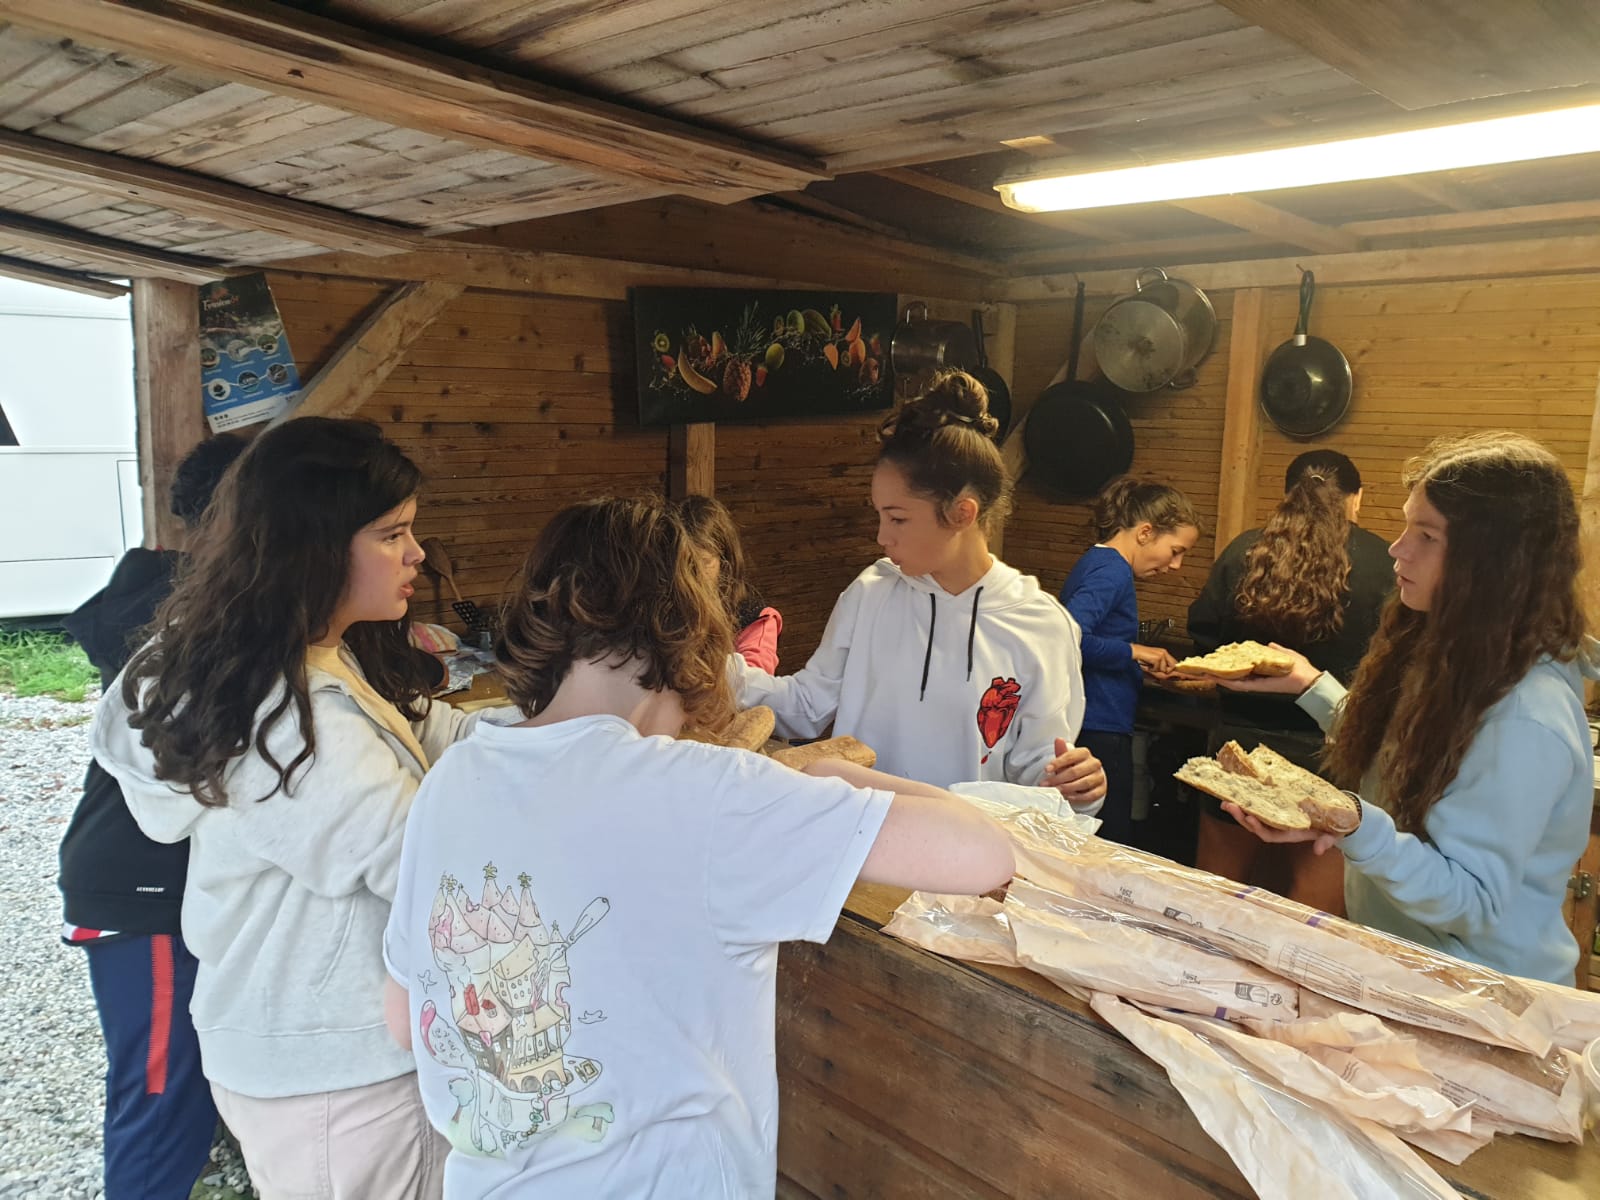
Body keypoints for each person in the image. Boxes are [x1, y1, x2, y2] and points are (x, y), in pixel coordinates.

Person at [381, 494, 1014, 1196]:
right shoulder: (709, 792)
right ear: (687, 632)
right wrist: (833, 776)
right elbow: (984, 851)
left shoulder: (454, 777)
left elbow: (406, 1021)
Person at [92, 417, 500, 1198]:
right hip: (338, 1069)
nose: (417, 554)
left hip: (303, 1052)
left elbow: (430, 731)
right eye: (392, 535)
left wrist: (562, 734)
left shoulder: (289, 660)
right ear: (314, 545)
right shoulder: (290, 721)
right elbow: (426, 870)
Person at [1220, 432, 1592, 986]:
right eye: (1406, 526)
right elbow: (1408, 749)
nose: (1397, 549)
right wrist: (1313, 686)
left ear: (1494, 561)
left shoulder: (1524, 714)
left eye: (1427, 535)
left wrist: (1354, 824)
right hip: (1411, 970)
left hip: (1481, 997)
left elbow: (1471, 899)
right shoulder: (1459, 654)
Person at [732, 370, 1105, 808]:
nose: (881, 537)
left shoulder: (1041, 625)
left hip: (965, 845)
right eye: (880, 516)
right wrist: (715, 671)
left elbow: (1040, 775)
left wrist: (1077, 786)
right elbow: (807, 705)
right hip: (863, 831)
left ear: (962, 513)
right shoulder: (871, 593)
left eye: (898, 518)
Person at [59, 433, 247, 1200]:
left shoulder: (169, 597)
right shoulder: (191, 618)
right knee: (162, 1096)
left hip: (151, 882)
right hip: (143, 890)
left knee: (178, 1091)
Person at [1187, 450, 1392, 909]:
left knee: (1214, 900)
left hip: (1238, 751)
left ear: (1287, 495)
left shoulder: (1244, 550)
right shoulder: (1384, 562)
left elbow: (1204, 636)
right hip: (1333, 756)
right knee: (1310, 918)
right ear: (1356, 499)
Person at [1058, 477, 1199, 843]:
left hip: (1094, 719)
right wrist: (1135, 651)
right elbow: (1069, 637)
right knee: (1107, 839)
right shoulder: (1113, 570)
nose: (1176, 565)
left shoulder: (1098, 561)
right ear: (1146, 532)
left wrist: (1134, 662)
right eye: (1175, 550)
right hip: (1099, 725)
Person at [679, 493, 783, 672]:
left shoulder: (756, 619)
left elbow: (753, 679)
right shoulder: (661, 611)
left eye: (704, 562)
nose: (692, 575)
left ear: (725, 561)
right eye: (683, 563)